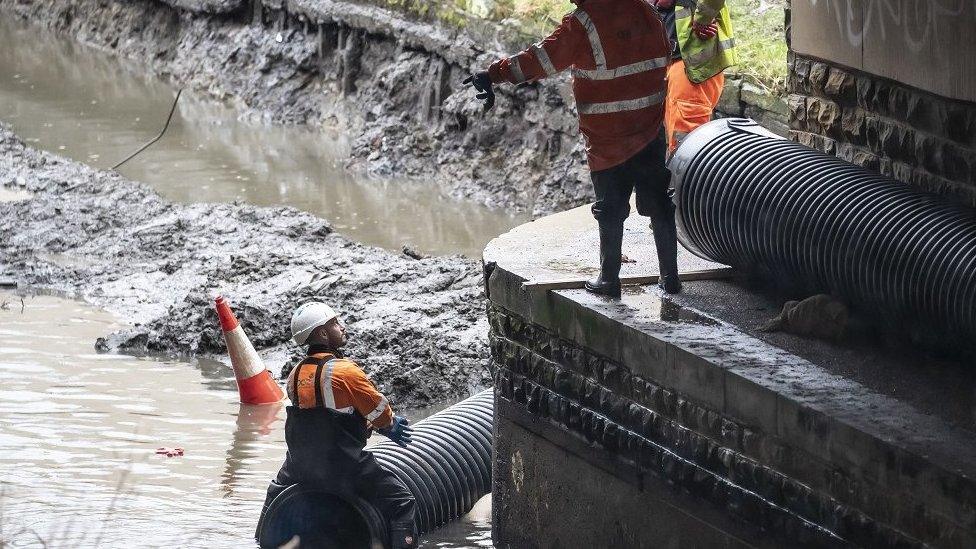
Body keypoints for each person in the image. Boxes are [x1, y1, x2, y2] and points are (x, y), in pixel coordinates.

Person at [465, 0, 681, 296]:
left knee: (610, 209)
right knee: (659, 202)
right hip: (649, 129)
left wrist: (492, 74)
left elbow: (538, 60)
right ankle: (671, 278)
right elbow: (665, 56)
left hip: (608, 137)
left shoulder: (584, 22)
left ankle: (609, 279)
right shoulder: (648, 11)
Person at [260, 301, 418, 548]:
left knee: (274, 494)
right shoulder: (346, 372)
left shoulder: (295, 374)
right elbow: (380, 413)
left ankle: (260, 541)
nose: (342, 327)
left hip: (299, 463)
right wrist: (388, 425)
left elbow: (319, 418)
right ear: (323, 333)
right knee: (401, 501)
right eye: (335, 323)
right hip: (342, 464)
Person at [654, 0, 738, 155]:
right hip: (670, 58)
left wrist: (703, 17)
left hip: (691, 62)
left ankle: (688, 177)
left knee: (687, 142)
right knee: (676, 137)